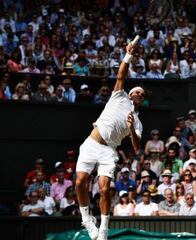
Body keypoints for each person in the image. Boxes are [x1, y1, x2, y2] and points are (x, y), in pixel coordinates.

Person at [75, 41, 145, 240]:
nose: (138, 93)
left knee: (105, 189)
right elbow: (122, 74)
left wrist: (131, 128)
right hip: (91, 144)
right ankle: (87, 218)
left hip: (109, 151)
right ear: (130, 94)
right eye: (136, 91)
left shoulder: (138, 122)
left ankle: (104, 228)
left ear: (142, 99)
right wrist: (128, 55)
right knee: (80, 182)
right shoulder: (119, 96)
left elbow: (137, 147)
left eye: (142, 93)